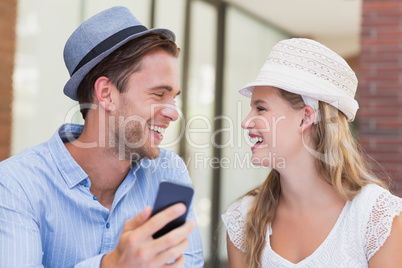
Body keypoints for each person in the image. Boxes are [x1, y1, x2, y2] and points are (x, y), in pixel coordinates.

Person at [0, 6, 203, 268]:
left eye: (173, 97)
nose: (174, 113)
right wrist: (111, 264)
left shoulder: (169, 173)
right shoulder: (16, 184)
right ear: (106, 94)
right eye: (158, 94)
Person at [221, 38, 402, 268]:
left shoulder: (376, 217)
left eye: (261, 108)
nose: (246, 122)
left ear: (306, 117)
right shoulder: (244, 218)